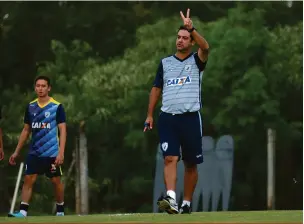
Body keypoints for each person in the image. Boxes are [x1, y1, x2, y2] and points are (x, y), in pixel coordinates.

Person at [144, 8, 209, 214]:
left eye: (185, 38)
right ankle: (171, 198)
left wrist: (193, 28)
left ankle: (187, 203)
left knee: (190, 163)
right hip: (168, 118)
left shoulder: (197, 61)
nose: (180, 40)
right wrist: (149, 114)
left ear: (191, 42)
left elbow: (205, 47)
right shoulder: (165, 63)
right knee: (169, 158)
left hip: (190, 118)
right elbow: (156, 89)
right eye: (178, 37)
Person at [8, 75, 67, 217]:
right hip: (35, 152)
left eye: (43, 86)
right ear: (35, 88)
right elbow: (26, 130)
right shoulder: (31, 106)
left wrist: (61, 153)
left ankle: (60, 211)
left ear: (49, 88)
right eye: (38, 86)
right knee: (29, 179)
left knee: (56, 181)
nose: (40, 88)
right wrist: (16, 151)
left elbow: (63, 130)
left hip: (52, 152)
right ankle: (22, 212)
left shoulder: (56, 106)